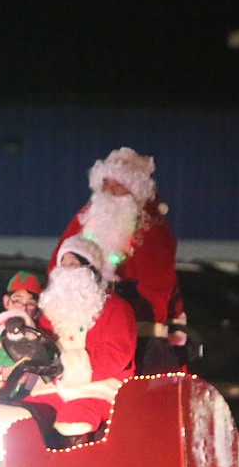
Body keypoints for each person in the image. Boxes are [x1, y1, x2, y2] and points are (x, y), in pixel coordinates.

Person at [48, 147, 186, 374]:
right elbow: (58, 266)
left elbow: (156, 288)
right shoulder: (85, 217)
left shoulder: (151, 228)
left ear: (135, 189)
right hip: (78, 332)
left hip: (131, 336)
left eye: (118, 184)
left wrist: (130, 324)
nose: (110, 190)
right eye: (106, 183)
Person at [26, 235, 137, 440]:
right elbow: (39, 345)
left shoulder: (115, 308)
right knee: (25, 418)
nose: (67, 270)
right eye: (64, 263)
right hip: (52, 387)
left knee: (74, 421)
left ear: (90, 269)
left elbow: (118, 353)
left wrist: (69, 367)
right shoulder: (50, 310)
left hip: (96, 387)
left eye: (74, 263)